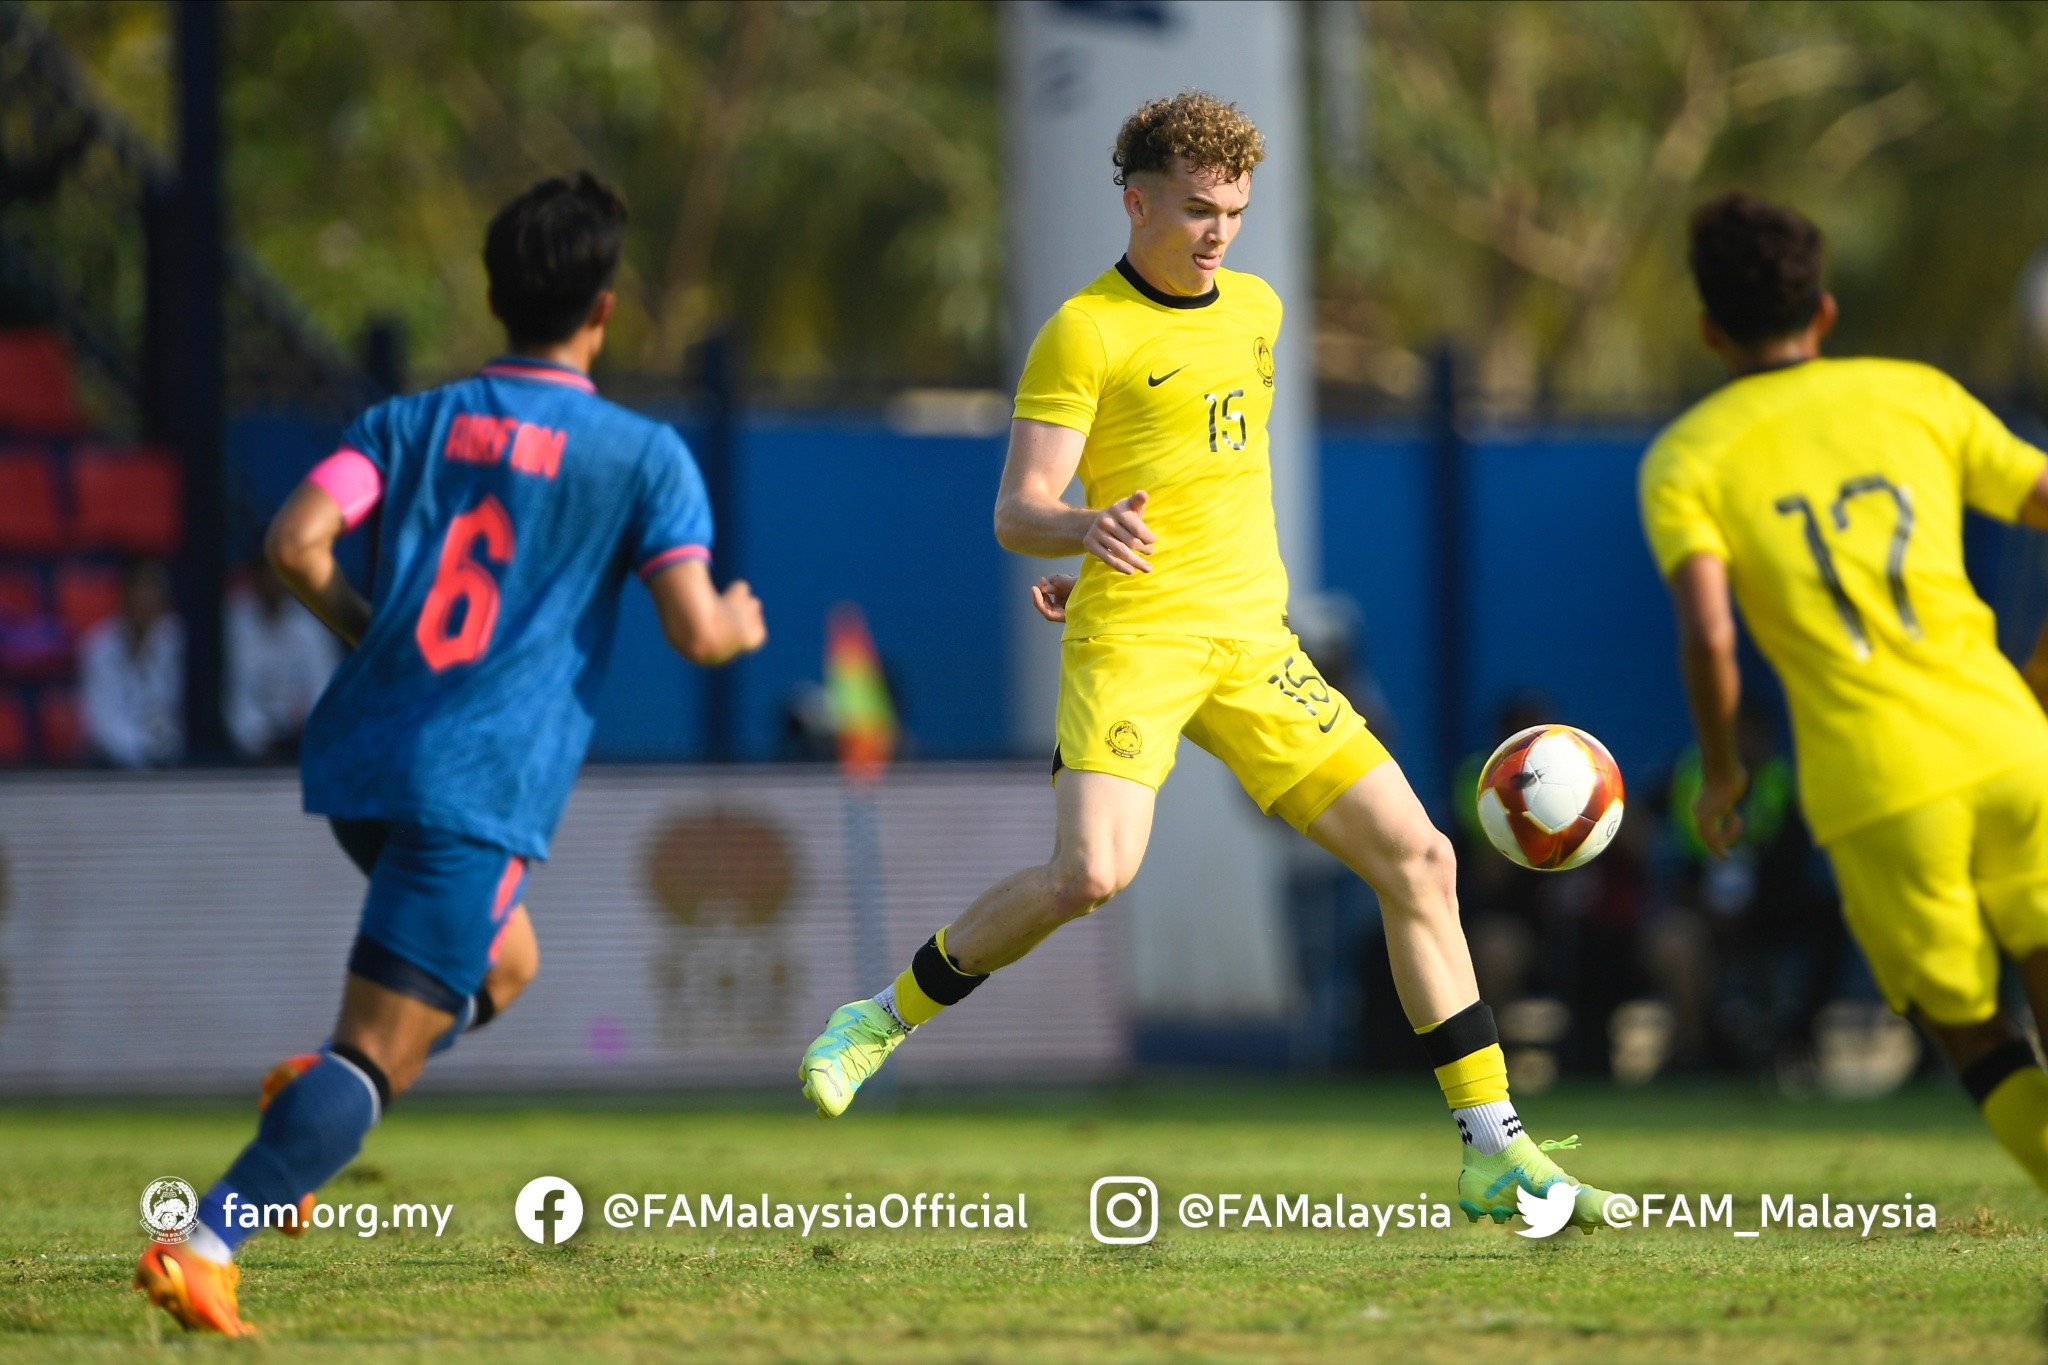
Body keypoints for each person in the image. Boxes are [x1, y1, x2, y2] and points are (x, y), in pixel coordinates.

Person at [798, 91, 1613, 1229]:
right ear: (1136, 203)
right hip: (1134, 641)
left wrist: (1103, 549)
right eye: (1194, 209)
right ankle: (878, 1020)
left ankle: (1493, 1148)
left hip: (1252, 645)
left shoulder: (1259, 311)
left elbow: (1197, 481)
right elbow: (1017, 509)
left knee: (1423, 859)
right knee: (1090, 875)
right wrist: (1084, 533)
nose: (1217, 231)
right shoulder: (1084, 331)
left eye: (1232, 209)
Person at [134, 171, 767, 1336]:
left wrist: (375, 636)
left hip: (365, 760)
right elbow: (691, 629)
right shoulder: (641, 456)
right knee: (376, 1056)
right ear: (603, 309)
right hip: (469, 786)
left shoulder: (406, 423)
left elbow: (294, 543)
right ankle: (208, 1241)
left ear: (494, 295)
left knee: (505, 966)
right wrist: (735, 620)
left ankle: (311, 1095)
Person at [1641, 192, 2048, 1192]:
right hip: (2008, 740)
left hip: (1876, 785)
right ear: (1822, 311)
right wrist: (2038, 675)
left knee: (1972, 1030)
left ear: (1708, 329)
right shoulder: (1915, 394)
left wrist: (1723, 774)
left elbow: (1708, 634)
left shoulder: (1686, 458)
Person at [225, 561, 340, 760]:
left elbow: (324, 688)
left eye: (280, 575)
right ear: (256, 577)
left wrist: (306, 733)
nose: (275, 583)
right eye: (269, 575)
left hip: (304, 746)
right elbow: (235, 698)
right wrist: (260, 738)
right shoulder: (234, 624)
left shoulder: (311, 625)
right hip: (250, 753)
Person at [78, 557, 183, 767]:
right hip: (116, 768)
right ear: (123, 594)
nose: (143, 598)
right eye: (137, 588)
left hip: (176, 765)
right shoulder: (98, 648)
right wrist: (145, 753)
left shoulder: (180, 643)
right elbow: (102, 725)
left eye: (151, 588)